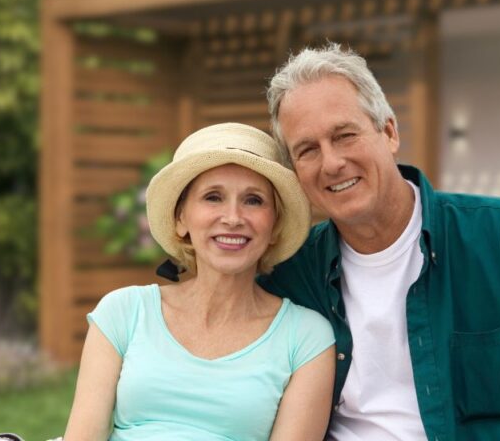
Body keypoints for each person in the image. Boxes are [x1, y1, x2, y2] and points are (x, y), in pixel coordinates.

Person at [259, 44, 500, 440]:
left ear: (389, 132)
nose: (331, 163)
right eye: (307, 150)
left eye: (344, 136)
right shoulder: (290, 273)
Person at [64, 123, 336, 441]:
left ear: (274, 225)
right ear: (181, 219)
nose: (233, 217)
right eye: (213, 197)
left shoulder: (306, 337)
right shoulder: (123, 312)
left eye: (253, 201)